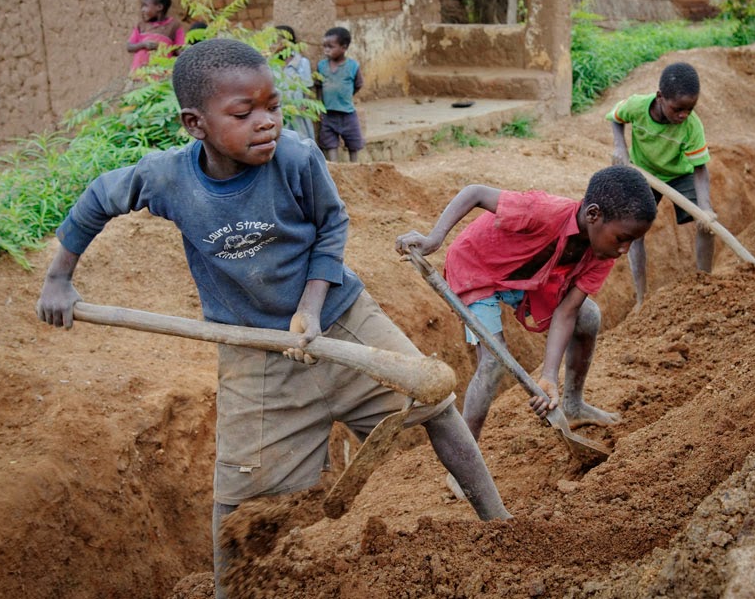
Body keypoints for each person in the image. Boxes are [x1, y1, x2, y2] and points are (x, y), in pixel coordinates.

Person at [35, 38, 510, 598]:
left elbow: (331, 227)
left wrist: (309, 307)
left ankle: (501, 528)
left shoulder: (296, 157)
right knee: (241, 499)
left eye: (273, 107)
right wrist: (58, 278)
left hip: (342, 318)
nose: (266, 123)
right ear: (196, 124)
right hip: (256, 355)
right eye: (244, 113)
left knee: (437, 405)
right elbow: (97, 198)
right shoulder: (168, 179)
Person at [395, 167, 655, 452]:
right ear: (593, 215)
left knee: (588, 316)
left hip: (528, 276)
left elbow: (568, 311)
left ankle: (573, 405)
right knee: (493, 362)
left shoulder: (602, 253)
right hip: (476, 269)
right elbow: (475, 192)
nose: (625, 249)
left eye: (632, 241)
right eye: (622, 238)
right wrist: (434, 239)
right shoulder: (542, 210)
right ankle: (465, 458)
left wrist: (549, 377)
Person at [607, 61, 715, 308]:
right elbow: (615, 118)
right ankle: (641, 298)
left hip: (680, 174)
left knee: (707, 227)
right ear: (660, 98)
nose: (684, 115)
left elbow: (700, 169)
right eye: (678, 109)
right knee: (633, 230)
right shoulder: (637, 106)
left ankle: (707, 285)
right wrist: (620, 147)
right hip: (644, 173)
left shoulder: (691, 125)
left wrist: (705, 208)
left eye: (690, 108)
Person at [315, 27, 365, 163]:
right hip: (328, 114)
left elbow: (358, 84)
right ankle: (334, 168)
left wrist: (347, 94)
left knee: (353, 141)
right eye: (324, 46)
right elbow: (318, 86)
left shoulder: (353, 66)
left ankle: (355, 166)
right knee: (329, 142)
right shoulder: (322, 66)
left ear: (344, 47)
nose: (326, 50)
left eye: (330, 47)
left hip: (347, 113)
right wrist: (319, 105)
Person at [274, 25, 317, 144]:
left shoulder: (301, 63)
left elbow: (307, 86)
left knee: (302, 139)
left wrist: (304, 103)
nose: (275, 44)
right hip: (279, 110)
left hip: (298, 109)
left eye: (278, 40)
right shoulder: (272, 64)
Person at [126, 0, 185, 72]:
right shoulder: (141, 25)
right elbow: (129, 46)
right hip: (139, 73)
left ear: (159, 7)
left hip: (161, 73)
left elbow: (180, 49)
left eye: (145, 5)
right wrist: (143, 45)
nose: (142, 9)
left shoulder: (174, 26)